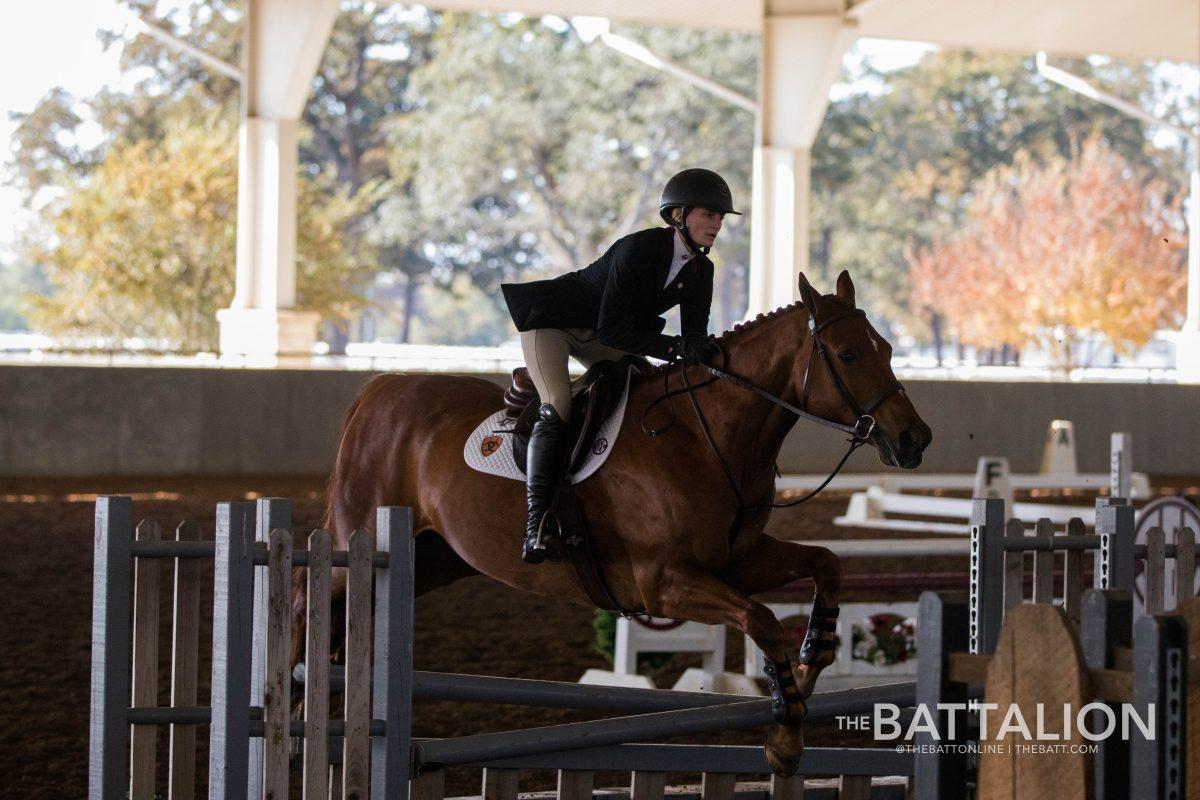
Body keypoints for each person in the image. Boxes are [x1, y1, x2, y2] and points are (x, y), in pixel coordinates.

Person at [500, 167, 740, 564]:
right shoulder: (639, 250)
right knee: (558, 401)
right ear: (679, 215)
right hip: (555, 325)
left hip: (602, 335)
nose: (716, 224)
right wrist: (675, 347)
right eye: (709, 214)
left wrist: (709, 358)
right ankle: (537, 522)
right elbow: (615, 330)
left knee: (643, 385)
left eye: (720, 217)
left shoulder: (702, 269)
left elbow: (694, 337)